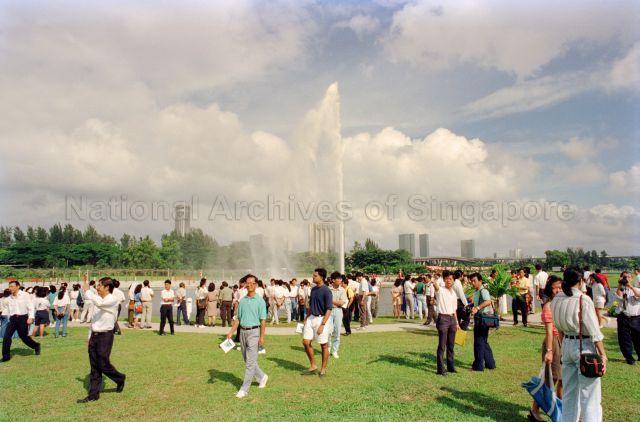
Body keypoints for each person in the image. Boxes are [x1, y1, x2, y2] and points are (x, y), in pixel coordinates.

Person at [551, 268, 606, 422]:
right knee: (590, 397)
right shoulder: (583, 299)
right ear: (581, 280)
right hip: (584, 346)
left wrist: (564, 348)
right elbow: (594, 332)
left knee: (569, 394)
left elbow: (558, 328)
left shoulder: (557, 299)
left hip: (566, 345)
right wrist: (603, 354)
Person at [78, 277, 126, 403]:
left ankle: (120, 378)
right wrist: (89, 336)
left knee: (103, 364)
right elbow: (94, 320)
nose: (97, 288)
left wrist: (88, 291)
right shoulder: (97, 299)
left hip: (105, 336)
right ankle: (93, 394)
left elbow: (99, 303)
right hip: (95, 335)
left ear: (107, 287)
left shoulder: (112, 300)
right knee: (94, 366)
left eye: (99, 285)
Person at [226, 274, 268, 398]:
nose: (249, 285)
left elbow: (263, 321)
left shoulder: (260, 301)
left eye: (251, 283)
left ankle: (244, 389)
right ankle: (262, 376)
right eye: (247, 283)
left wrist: (262, 337)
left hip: (254, 332)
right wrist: (231, 332)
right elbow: (238, 319)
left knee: (250, 362)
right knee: (247, 360)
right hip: (243, 332)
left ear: (255, 285)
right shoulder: (242, 300)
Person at [529, 275, 563, 422]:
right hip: (553, 343)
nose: (557, 290)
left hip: (563, 342)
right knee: (551, 379)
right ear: (549, 289)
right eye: (555, 287)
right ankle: (535, 409)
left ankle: (563, 410)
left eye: (560, 287)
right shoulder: (548, 306)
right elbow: (549, 331)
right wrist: (549, 351)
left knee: (563, 379)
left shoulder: (561, 303)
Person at [302, 268, 333, 377]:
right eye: (313, 275)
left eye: (315, 276)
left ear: (321, 277)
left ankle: (323, 369)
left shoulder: (326, 291)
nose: (313, 277)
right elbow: (311, 305)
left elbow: (329, 309)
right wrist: (306, 317)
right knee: (306, 342)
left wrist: (323, 324)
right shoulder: (314, 289)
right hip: (311, 317)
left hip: (322, 319)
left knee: (323, 345)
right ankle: (313, 365)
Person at [2, 281, 41, 362]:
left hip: (23, 318)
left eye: (12, 286)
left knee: (24, 337)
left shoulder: (25, 295)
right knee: (6, 337)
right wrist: (9, 318)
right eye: (9, 286)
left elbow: (30, 306)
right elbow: (8, 309)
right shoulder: (9, 298)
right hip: (13, 319)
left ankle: (36, 346)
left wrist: (31, 317)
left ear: (18, 286)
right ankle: (6, 357)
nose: (10, 288)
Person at [432, 270, 459, 376]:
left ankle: (451, 367)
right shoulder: (441, 290)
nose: (448, 280)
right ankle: (440, 369)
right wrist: (435, 277)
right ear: (443, 280)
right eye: (446, 278)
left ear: (453, 281)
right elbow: (435, 285)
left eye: (450, 279)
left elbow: (454, 309)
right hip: (443, 319)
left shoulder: (453, 293)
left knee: (451, 345)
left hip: (452, 318)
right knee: (442, 345)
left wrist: (457, 323)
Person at [470, 273, 496, 371]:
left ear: (480, 281)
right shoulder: (477, 292)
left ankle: (478, 366)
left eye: (474, 281)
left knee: (479, 343)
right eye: (471, 281)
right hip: (479, 319)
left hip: (483, 319)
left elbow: (488, 301)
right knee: (483, 342)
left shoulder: (483, 290)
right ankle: (490, 363)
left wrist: (477, 307)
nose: (472, 283)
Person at [615, 271, 640, 365]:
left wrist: (631, 286)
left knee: (638, 338)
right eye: (624, 277)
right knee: (624, 339)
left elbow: (638, 295)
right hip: (623, 317)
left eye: (629, 277)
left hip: (636, 318)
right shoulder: (620, 289)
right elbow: (618, 296)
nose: (627, 279)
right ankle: (629, 358)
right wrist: (620, 285)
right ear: (621, 277)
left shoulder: (636, 289)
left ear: (632, 278)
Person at [328, 272, 346, 359]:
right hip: (329, 311)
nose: (340, 280)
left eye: (340, 279)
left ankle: (335, 350)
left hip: (338, 311)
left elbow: (342, 302)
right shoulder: (328, 289)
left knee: (337, 331)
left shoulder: (342, 290)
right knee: (328, 331)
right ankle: (327, 348)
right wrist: (336, 302)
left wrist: (331, 301)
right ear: (333, 280)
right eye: (338, 279)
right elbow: (326, 301)